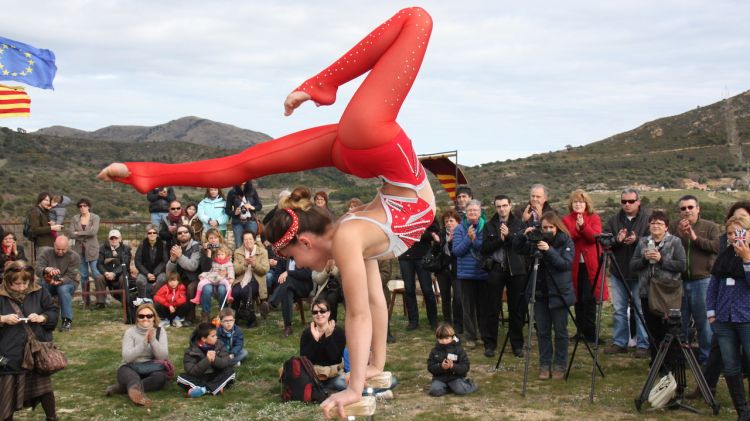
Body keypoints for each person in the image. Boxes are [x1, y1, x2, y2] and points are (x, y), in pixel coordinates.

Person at [99, 7, 435, 416]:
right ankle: (317, 86)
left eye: (293, 256)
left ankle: (147, 173)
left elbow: (364, 310)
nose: (298, 263)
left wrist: (360, 383)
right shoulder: (349, 232)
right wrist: (369, 371)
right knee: (415, 20)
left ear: (306, 240)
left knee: (249, 163)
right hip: (377, 156)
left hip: (372, 152)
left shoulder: (348, 232)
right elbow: (370, 304)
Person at [514, 211, 575, 380]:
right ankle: (544, 363)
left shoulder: (565, 241)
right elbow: (517, 248)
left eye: (550, 227)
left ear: (557, 227)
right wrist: (522, 235)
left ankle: (560, 364)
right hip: (540, 291)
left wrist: (549, 251)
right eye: (544, 227)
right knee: (542, 330)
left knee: (561, 331)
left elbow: (565, 264)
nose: (547, 230)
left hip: (559, 292)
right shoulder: (536, 239)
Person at [0, 261, 59, 421]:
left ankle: (52, 418)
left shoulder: (40, 291)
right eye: (16, 284)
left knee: (45, 389)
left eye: (24, 283)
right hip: (9, 353)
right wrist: (3, 318)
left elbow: (52, 311)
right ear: (8, 280)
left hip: (35, 351)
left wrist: (42, 317)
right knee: (6, 396)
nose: (21, 288)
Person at [707, 215, 750, 419]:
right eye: (731, 233)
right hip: (724, 319)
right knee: (731, 365)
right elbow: (713, 286)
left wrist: (747, 260)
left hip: (747, 318)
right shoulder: (723, 256)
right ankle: (742, 410)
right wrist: (711, 314)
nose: (734, 237)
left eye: (739, 232)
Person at [669, 195, 720, 364]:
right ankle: (681, 358)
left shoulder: (710, 226)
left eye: (690, 207)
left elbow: (716, 247)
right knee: (680, 322)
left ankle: (706, 360)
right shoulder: (674, 226)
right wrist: (678, 233)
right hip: (680, 281)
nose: (687, 211)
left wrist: (694, 237)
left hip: (702, 280)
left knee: (703, 323)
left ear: (698, 209)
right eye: (683, 208)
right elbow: (667, 247)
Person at [630, 210, 686, 363]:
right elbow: (633, 265)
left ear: (666, 227)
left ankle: (671, 362)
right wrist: (644, 259)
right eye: (653, 223)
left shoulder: (675, 242)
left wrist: (661, 260)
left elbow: (682, 266)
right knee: (653, 329)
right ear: (649, 225)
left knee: (669, 329)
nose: (656, 226)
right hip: (646, 292)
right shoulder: (642, 242)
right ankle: (656, 362)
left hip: (668, 292)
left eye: (660, 223)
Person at [603, 188, 651, 358]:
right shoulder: (613, 220)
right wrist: (617, 240)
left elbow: (656, 239)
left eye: (631, 201)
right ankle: (619, 342)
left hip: (640, 272)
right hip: (618, 271)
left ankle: (643, 344)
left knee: (640, 310)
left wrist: (639, 241)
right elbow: (604, 240)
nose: (627, 205)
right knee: (619, 309)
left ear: (638, 201)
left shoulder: (648, 220)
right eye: (624, 202)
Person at [481, 195, 527, 358]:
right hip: (496, 269)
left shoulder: (519, 224)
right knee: (492, 308)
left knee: (516, 309)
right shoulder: (488, 226)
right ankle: (490, 345)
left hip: (516, 271)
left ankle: (517, 345)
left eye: (505, 205)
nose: (502, 209)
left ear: (510, 205)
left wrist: (509, 237)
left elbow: (522, 246)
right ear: (495, 207)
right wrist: (500, 240)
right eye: (499, 206)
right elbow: (484, 248)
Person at [105, 303, 170, 407]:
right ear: (137, 318)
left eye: (149, 316)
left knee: (160, 379)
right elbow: (127, 357)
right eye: (141, 316)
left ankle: (123, 388)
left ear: (154, 317)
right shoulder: (130, 332)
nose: (145, 318)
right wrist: (144, 343)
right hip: (130, 366)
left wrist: (152, 340)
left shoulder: (160, 331)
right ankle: (136, 394)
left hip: (152, 366)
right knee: (133, 378)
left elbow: (163, 357)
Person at [561, 189, 604, 343]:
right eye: (575, 202)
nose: (578, 204)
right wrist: (582, 230)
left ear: (586, 204)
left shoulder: (594, 217)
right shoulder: (566, 219)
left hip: (590, 265)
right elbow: (568, 236)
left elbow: (594, 237)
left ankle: (591, 333)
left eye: (581, 201)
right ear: (571, 204)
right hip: (574, 266)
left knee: (589, 298)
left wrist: (583, 226)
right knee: (577, 298)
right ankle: (580, 332)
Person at [452, 200, 488, 351]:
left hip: (483, 273)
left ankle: (485, 335)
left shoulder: (486, 227)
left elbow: (486, 249)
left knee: (483, 307)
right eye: (470, 211)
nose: (472, 213)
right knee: (468, 308)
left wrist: (475, 241)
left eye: (475, 210)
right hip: (466, 274)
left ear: (480, 212)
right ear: (466, 213)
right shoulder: (460, 228)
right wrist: (468, 238)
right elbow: (457, 251)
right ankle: (471, 336)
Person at [399, 216, 439, 331]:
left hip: (422, 255)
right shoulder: (400, 212)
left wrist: (417, 234)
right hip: (404, 255)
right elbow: (394, 230)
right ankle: (413, 321)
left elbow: (435, 230)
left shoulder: (425, 211)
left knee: (427, 289)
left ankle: (433, 321)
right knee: (409, 289)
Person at [177, 322, 236, 398]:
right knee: (181, 377)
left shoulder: (219, 344)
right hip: (200, 377)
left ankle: (204, 390)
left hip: (216, 375)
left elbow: (226, 363)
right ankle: (216, 388)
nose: (216, 337)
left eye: (216, 335)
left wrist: (215, 359)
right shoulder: (190, 351)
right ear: (204, 338)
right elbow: (192, 371)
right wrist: (207, 360)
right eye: (213, 336)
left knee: (230, 372)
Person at [300, 298, 347, 391]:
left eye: (322, 311)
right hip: (314, 376)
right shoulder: (307, 333)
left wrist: (328, 338)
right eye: (315, 312)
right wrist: (316, 340)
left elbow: (335, 358)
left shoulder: (338, 332)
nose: (319, 314)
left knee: (342, 384)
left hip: (333, 375)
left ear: (329, 313)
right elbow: (305, 359)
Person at [35, 236, 80, 332]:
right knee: (39, 287)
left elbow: (72, 275)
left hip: (68, 282)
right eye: (58, 249)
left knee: (62, 289)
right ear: (54, 245)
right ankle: (40, 316)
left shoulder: (74, 256)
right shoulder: (46, 253)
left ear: (68, 246)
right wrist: (46, 269)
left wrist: (61, 280)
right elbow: (37, 269)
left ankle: (66, 320)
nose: (60, 252)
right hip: (48, 282)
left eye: (63, 249)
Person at [268, 254, 313, 337]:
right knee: (286, 291)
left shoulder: (304, 255)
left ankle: (272, 304)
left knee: (288, 280)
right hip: (289, 287)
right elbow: (277, 275)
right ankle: (288, 326)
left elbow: (307, 274)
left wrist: (288, 272)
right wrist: (283, 279)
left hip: (303, 287)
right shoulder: (284, 258)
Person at [427, 323, 477, 396]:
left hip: (455, 377)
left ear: (452, 337)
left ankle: (469, 384)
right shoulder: (434, 351)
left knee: (460, 391)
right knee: (434, 391)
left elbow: (465, 366)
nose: (444, 341)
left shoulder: (459, 350)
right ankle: (449, 388)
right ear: (437, 338)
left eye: (446, 338)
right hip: (440, 378)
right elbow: (430, 367)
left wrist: (453, 366)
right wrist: (441, 366)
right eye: (441, 339)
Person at [434, 209, 463, 335]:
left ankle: (458, 323)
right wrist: (439, 243)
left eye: (451, 221)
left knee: (458, 298)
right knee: (445, 297)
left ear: (457, 222)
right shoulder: (440, 234)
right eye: (446, 221)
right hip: (443, 270)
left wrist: (451, 242)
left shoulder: (462, 233)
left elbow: (457, 252)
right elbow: (435, 252)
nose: (449, 223)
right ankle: (447, 323)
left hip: (457, 270)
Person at [165, 225, 202, 323]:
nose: (183, 234)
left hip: (196, 278)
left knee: (190, 288)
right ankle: (164, 315)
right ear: (177, 236)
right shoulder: (176, 247)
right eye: (180, 233)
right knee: (160, 286)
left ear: (190, 234)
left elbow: (193, 266)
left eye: (185, 232)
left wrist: (180, 256)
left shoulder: (196, 246)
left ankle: (190, 318)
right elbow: (169, 272)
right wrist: (172, 260)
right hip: (180, 278)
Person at [232, 230, 270, 323]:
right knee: (235, 292)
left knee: (245, 291)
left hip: (256, 281)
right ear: (242, 241)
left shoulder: (263, 252)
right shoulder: (237, 252)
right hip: (241, 280)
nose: (248, 241)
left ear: (254, 240)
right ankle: (235, 317)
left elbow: (265, 270)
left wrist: (254, 265)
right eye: (245, 239)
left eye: (250, 239)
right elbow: (235, 270)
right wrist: (244, 264)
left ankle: (250, 318)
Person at [69, 198, 101, 307]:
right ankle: (85, 299)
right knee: (83, 276)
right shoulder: (75, 218)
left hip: (92, 250)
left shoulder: (95, 217)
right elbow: (71, 234)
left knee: (96, 274)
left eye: (84, 205)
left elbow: (93, 232)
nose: (82, 207)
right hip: (79, 251)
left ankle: (101, 299)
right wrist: (81, 233)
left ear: (89, 206)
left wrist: (78, 232)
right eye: (80, 206)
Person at [192, 245, 234, 322]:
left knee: (223, 288)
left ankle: (224, 310)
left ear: (226, 255)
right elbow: (209, 270)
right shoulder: (214, 261)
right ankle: (204, 310)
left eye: (222, 254)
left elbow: (231, 271)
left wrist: (230, 277)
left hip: (222, 279)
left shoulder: (228, 263)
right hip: (213, 278)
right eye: (218, 254)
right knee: (204, 285)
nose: (220, 256)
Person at [94, 229, 132, 309]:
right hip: (107, 274)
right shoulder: (103, 248)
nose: (114, 240)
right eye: (112, 238)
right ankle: (100, 303)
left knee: (123, 279)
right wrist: (105, 273)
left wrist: (114, 273)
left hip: (121, 273)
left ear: (120, 239)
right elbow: (99, 264)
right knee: (99, 278)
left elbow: (124, 264)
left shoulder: (126, 249)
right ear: (109, 239)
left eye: (116, 238)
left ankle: (125, 302)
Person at [134, 224, 169, 298]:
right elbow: (138, 262)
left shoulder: (163, 245)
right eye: (149, 233)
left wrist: (155, 273)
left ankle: (157, 298)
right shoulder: (142, 245)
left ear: (157, 234)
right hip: (145, 271)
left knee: (162, 279)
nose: (152, 234)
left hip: (159, 271)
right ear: (147, 234)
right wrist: (147, 274)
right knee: (140, 280)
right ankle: (142, 300)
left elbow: (165, 261)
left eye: (154, 232)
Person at [226, 181, 263, 248]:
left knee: (251, 245)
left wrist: (252, 207)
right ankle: (240, 258)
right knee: (239, 245)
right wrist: (235, 212)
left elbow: (259, 206)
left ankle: (252, 258)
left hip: (251, 221)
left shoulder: (252, 191)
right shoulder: (232, 192)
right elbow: (227, 210)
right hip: (237, 223)